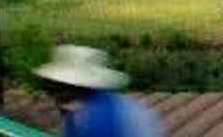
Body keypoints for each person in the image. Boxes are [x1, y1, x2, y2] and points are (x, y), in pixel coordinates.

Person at [34, 45, 164, 137]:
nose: (53, 94)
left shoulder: (97, 117)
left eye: (58, 87)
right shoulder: (91, 107)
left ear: (75, 86)